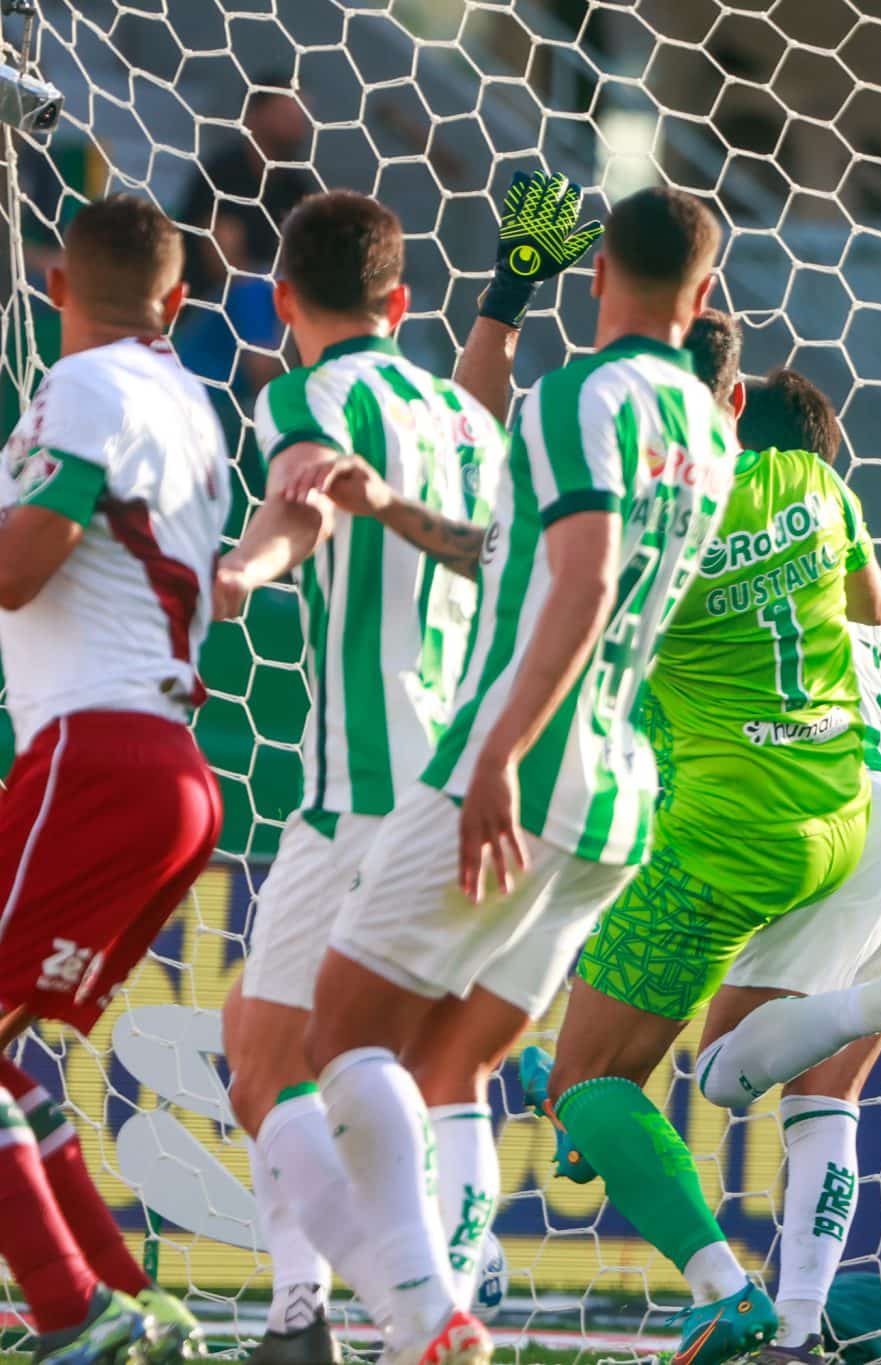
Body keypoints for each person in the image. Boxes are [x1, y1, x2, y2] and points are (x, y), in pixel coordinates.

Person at [289, 182, 737, 1365]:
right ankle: (431, 1320)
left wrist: (497, 753)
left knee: (333, 1031)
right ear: (700, 299)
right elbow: (517, 530)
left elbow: (578, 576)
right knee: (451, 1061)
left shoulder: (572, 397)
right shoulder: (707, 429)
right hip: (619, 795)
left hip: (520, 762)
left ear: (596, 278)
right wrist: (393, 502)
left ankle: (427, 1315)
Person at [513, 352, 881, 1365]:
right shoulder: (821, 511)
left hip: (833, 812)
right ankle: (797, 1329)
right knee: (822, 1100)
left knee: (718, 1072)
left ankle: (878, 1001)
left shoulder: (688, 535)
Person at [209, 189, 519, 1365]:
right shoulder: (458, 415)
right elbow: (475, 527)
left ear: (283, 301)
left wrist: (243, 569)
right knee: (433, 1065)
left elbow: (307, 506)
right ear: (400, 301)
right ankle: (320, 1319)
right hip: (463, 782)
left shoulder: (306, 393)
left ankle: (399, 1307)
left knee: (262, 1060)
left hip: (359, 793)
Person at [0, 194, 231, 1363]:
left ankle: (71, 1314)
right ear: (178, 303)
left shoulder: (85, 390)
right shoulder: (189, 403)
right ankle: (123, 1297)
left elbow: (19, 571)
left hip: (99, 752)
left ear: (55, 290)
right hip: (170, 769)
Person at [176, 79, 315, 293]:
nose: (299, 124)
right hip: (210, 306)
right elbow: (224, 266)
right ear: (254, 116)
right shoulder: (222, 175)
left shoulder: (296, 188)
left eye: (302, 116)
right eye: (287, 114)